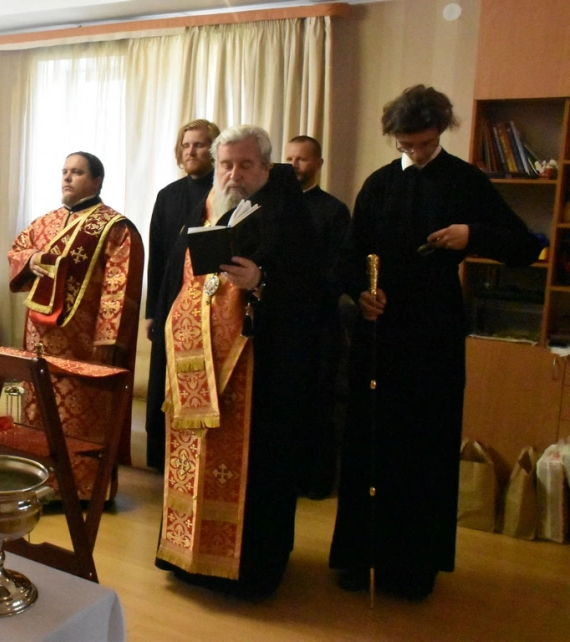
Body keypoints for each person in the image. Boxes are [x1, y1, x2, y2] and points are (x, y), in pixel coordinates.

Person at [329, 85, 541, 600]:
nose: (416, 153)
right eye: (406, 145)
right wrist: (360, 293)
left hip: (433, 336)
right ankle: (359, 557)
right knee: (369, 441)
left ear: (440, 131)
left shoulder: (466, 181)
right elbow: (350, 256)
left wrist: (473, 235)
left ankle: (412, 568)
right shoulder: (379, 184)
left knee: (422, 446)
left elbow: (525, 247)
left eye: (424, 143)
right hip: (379, 333)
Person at [154, 126, 322, 598]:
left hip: (260, 372)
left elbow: (313, 291)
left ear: (266, 166)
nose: (234, 174)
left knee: (255, 473)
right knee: (197, 462)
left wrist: (262, 280)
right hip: (198, 364)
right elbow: (179, 280)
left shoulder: (290, 216)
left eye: (245, 165)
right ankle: (190, 561)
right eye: (226, 165)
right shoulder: (211, 209)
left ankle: (250, 571)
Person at [8, 151, 143, 500]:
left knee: (81, 415)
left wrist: (108, 339)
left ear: (96, 181)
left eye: (77, 172)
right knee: (39, 410)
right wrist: (30, 259)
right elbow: (18, 250)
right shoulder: (44, 222)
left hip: (85, 344)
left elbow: (120, 286)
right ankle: (39, 480)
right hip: (40, 338)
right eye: (65, 171)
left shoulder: (115, 228)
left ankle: (82, 488)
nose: (67, 177)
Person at [145, 119, 220, 472]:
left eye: (200, 144)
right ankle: (162, 457)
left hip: (208, 304)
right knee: (164, 376)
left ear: (214, 149)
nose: (191, 151)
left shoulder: (223, 192)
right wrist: (151, 312)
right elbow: (157, 257)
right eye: (186, 145)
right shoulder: (167, 195)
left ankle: (200, 457)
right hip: (169, 300)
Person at [284, 135, 352, 499]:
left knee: (317, 402)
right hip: (280, 324)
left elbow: (339, 267)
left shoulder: (334, 210)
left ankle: (315, 481)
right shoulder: (273, 206)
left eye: (303, 159)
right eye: (290, 158)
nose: (295, 165)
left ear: (318, 164)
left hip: (319, 324)